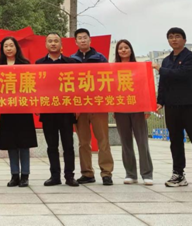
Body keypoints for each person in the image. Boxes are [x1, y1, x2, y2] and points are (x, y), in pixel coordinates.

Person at [155, 27, 192, 190]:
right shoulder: (166, 61)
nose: (174, 39)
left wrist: (161, 70)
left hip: (188, 105)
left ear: (184, 40)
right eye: (171, 37)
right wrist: (160, 102)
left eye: (177, 36)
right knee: (175, 141)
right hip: (171, 107)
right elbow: (163, 84)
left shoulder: (191, 57)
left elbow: (183, 74)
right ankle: (178, 174)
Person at [71, 28, 114, 186]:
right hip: (80, 107)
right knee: (83, 142)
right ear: (76, 42)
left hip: (98, 105)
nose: (82, 40)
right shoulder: (72, 60)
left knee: (103, 140)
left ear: (90, 40)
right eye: (80, 38)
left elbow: (108, 79)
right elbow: (69, 84)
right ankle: (87, 173)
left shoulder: (100, 58)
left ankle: (106, 173)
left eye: (85, 37)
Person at [35, 32, 79, 187]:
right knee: (52, 146)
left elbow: (77, 86)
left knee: (68, 145)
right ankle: (55, 176)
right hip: (48, 112)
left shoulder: (71, 63)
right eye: (50, 41)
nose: (53, 43)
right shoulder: (39, 64)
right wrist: (37, 104)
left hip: (66, 111)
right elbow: (36, 87)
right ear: (46, 45)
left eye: (56, 41)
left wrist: (77, 106)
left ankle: (69, 176)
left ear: (61, 45)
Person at [0, 36, 37, 188]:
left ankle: (25, 175)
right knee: (11, 143)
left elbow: (32, 86)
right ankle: (14, 175)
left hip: (23, 108)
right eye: (6, 46)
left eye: (11, 45)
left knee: (24, 143)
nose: (8, 48)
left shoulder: (25, 64)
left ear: (16, 48)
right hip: (7, 109)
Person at [113, 39, 154, 186]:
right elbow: (111, 89)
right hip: (120, 109)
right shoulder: (113, 68)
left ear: (131, 50)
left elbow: (145, 87)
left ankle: (147, 174)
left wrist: (147, 107)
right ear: (117, 52)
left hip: (138, 108)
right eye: (120, 48)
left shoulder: (139, 67)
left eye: (126, 47)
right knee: (126, 143)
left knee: (142, 142)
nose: (123, 50)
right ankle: (130, 174)